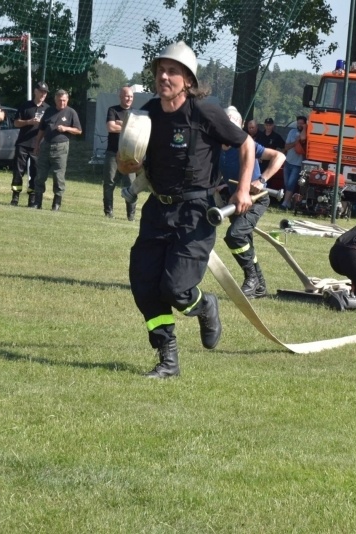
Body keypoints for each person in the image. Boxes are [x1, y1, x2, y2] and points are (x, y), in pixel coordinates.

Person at [117, 41, 254, 379]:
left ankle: (206, 305)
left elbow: (247, 144)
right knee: (145, 284)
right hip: (157, 211)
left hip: (196, 213)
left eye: (172, 71)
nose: (164, 76)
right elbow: (126, 163)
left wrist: (243, 189)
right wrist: (127, 166)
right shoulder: (145, 114)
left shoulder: (205, 112)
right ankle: (168, 358)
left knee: (176, 289)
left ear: (188, 80)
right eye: (160, 70)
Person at [220, 106, 286, 299]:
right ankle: (260, 287)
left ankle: (251, 278)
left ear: (240, 126)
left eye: (233, 124)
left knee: (235, 236)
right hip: (235, 201)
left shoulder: (247, 144)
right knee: (245, 242)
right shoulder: (216, 146)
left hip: (256, 199)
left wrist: (262, 180)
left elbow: (279, 156)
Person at [33, 89, 82, 211]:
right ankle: (37, 202)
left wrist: (66, 129)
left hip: (61, 146)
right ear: (55, 100)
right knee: (40, 175)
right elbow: (42, 129)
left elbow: (79, 130)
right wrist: (37, 144)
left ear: (67, 100)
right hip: (46, 145)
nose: (62, 103)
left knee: (58, 176)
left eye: (64, 100)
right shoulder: (49, 111)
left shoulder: (71, 112)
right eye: (60, 100)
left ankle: (56, 204)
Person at [10, 81, 50, 207]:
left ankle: (32, 199)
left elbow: (50, 127)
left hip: (37, 145)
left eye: (45, 92)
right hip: (23, 143)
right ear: (35, 91)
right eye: (41, 91)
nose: (43, 94)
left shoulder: (48, 109)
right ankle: (15, 196)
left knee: (35, 173)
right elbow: (16, 123)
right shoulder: (25, 105)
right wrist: (29, 122)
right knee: (18, 171)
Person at [103, 86, 137, 220]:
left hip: (129, 155)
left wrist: (121, 124)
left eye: (131, 97)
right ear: (121, 96)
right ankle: (108, 212)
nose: (129, 99)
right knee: (109, 183)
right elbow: (111, 127)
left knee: (131, 185)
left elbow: (138, 131)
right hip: (112, 152)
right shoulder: (113, 110)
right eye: (127, 96)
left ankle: (131, 216)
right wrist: (128, 126)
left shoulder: (136, 114)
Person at [281, 115, 306, 210]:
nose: (299, 125)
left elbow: (303, 139)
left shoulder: (306, 133)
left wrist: (305, 129)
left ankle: (284, 203)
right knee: (287, 183)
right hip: (288, 161)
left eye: (302, 123)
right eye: (298, 123)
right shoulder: (292, 132)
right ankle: (289, 201)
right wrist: (296, 142)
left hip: (298, 164)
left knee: (291, 184)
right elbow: (286, 146)